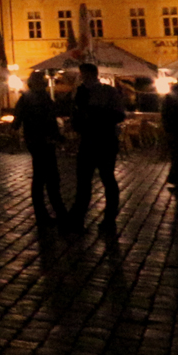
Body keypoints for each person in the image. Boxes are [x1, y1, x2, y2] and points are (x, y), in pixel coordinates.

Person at [64, 63, 127, 234]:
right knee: (85, 181)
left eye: (84, 74)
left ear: (91, 74)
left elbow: (119, 115)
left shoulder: (108, 91)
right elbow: (75, 116)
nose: (82, 77)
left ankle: (108, 218)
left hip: (104, 140)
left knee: (106, 179)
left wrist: (94, 113)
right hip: (90, 140)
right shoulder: (79, 92)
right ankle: (79, 218)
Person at [14, 72, 66, 225]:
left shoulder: (31, 97)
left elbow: (18, 120)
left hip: (38, 141)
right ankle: (52, 212)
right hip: (40, 141)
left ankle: (50, 212)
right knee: (46, 177)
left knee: (44, 177)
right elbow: (48, 119)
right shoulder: (34, 97)